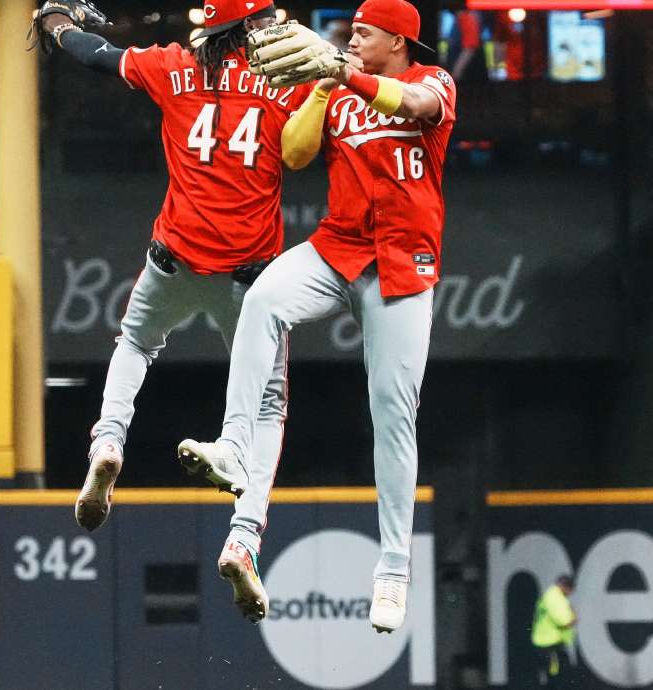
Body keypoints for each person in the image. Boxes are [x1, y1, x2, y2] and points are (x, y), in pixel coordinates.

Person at [177, 0, 456, 633]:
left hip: (402, 264)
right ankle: (233, 446)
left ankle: (392, 569)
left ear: (398, 39)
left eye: (364, 31)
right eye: (350, 30)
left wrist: (343, 71)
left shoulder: (430, 82)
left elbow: (411, 109)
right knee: (263, 300)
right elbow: (295, 154)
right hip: (339, 247)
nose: (351, 36)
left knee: (392, 411)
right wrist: (322, 88)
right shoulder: (341, 85)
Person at [33, 0, 313, 619]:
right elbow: (311, 143)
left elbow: (96, 55)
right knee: (268, 406)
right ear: (250, 28)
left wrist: (56, 22)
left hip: (174, 258)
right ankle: (244, 537)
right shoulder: (281, 82)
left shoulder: (173, 63)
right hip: (249, 279)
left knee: (134, 345)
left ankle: (108, 443)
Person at [532, 575, 578, 687]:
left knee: (550, 677)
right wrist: (573, 618)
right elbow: (564, 621)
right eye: (571, 590)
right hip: (551, 646)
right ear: (566, 587)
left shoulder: (548, 595)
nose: (570, 593)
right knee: (558, 678)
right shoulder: (556, 598)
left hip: (544, 644)